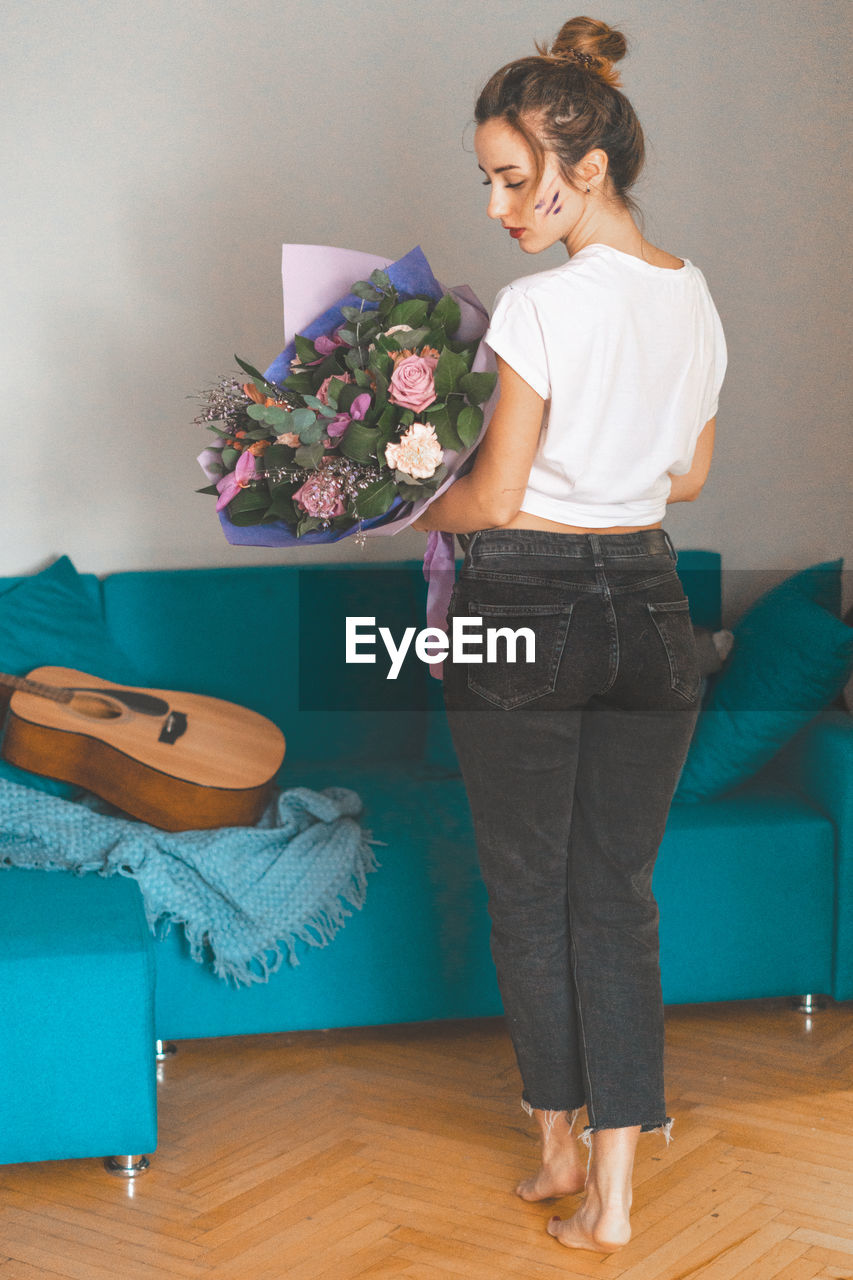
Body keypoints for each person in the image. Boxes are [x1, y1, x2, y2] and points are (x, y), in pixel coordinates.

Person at [411, 15, 727, 1255]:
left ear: (582, 170)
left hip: (525, 606)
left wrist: (402, 505)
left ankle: (553, 1144)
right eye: (486, 178)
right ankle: (615, 1196)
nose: (496, 206)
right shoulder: (692, 294)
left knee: (529, 888)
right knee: (618, 898)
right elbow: (687, 478)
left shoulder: (539, 311)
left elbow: (488, 500)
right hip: (654, 607)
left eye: (509, 178)